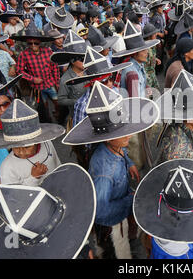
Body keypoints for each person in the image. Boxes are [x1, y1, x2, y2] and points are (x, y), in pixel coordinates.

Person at [62, 81, 159, 259]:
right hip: (112, 225)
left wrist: (128, 161)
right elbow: (100, 210)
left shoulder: (113, 147)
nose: (129, 136)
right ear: (108, 138)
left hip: (119, 211)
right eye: (122, 133)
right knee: (119, 253)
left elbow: (122, 151)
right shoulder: (104, 172)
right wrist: (130, 200)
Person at [0, 99, 64, 186]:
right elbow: (13, 194)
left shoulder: (47, 144)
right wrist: (34, 178)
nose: (21, 151)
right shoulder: (7, 167)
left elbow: (57, 165)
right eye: (16, 147)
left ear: (37, 141)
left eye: (27, 147)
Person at [13, 23, 60, 122]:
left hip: (50, 83)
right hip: (37, 87)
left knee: (57, 101)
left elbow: (54, 67)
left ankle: (58, 114)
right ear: (27, 43)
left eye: (36, 43)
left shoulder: (48, 51)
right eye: (30, 43)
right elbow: (19, 71)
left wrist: (57, 82)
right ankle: (48, 120)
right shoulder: (24, 54)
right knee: (44, 105)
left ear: (40, 42)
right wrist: (33, 79)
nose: (33, 45)